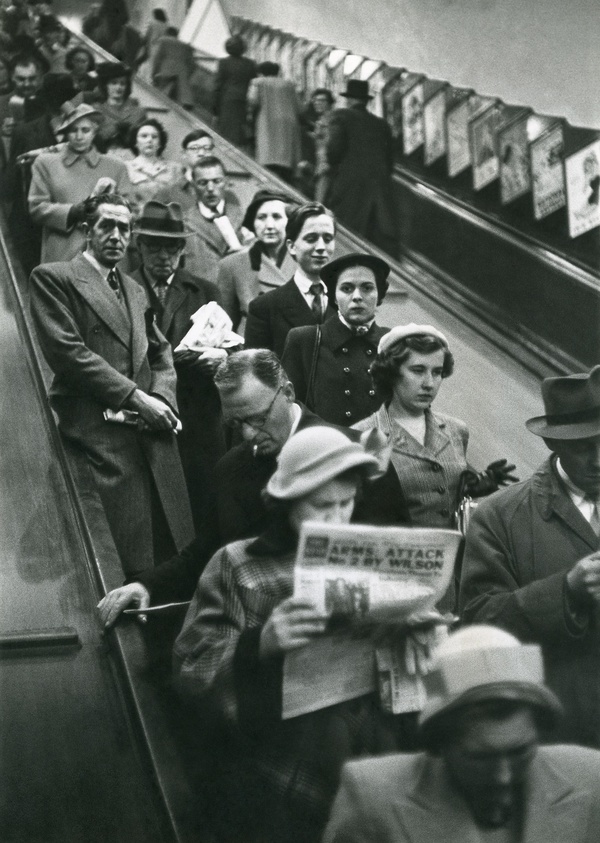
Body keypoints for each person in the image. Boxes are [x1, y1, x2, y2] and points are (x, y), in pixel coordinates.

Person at [173, 426, 420, 843]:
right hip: (273, 778)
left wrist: (413, 652)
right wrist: (260, 644)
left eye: (347, 504)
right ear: (286, 503)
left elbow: (402, 698)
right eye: (322, 507)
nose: (337, 519)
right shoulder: (239, 564)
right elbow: (188, 672)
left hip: (366, 771)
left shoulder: (375, 563)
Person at [96, 349, 338, 626]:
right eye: (235, 423)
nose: (248, 435)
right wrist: (146, 585)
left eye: (258, 418)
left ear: (288, 393)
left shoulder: (352, 455)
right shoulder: (230, 467)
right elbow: (206, 551)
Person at [29, 193, 194, 578]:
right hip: (98, 434)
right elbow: (70, 355)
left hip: (147, 428)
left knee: (173, 548)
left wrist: (160, 398)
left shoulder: (134, 290)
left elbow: (160, 353)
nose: (117, 235)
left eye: (124, 228)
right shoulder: (55, 278)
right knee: (122, 555)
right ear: (87, 231)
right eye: (107, 225)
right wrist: (137, 398)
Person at [324, 624, 600, 843]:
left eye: (520, 752)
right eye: (480, 757)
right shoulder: (373, 795)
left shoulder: (590, 777)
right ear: (439, 744)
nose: (503, 776)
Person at [460, 365, 600, 748]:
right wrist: (565, 593)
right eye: (584, 447)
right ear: (553, 443)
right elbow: (477, 624)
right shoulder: (501, 516)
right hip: (560, 731)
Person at [353, 324, 516, 530]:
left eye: (437, 372)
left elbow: (440, 493)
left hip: (452, 553)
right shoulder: (364, 435)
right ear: (391, 373)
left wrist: (470, 489)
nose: (429, 383)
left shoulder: (456, 430)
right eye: (418, 370)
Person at [130, 199, 226, 530]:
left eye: (172, 248)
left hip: (198, 419)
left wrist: (222, 359)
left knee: (202, 511)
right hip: (144, 416)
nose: (163, 256)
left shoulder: (205, 291)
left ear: (182, 250)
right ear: (138, 246)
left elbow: (233, 348)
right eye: (154, 247)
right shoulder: (121, 290)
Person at [282, 252, 390, 425]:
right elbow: (288, 409)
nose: (357, 296)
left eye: (367, 288)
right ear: (333, 296)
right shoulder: (304, 339)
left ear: (379, 295)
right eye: (346, 288)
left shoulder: (393, 343)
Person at [28, 99, 131, 263]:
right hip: (63, 252)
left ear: (95, 131)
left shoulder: (116, 166)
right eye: (73, 130)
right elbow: (36, 208)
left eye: (85, 130)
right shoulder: (46, 163)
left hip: (106, 253)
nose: (79, 136)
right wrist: (73, 211)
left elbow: (131, 210)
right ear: (66, 133)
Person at [3, 71, 75, 272]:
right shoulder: (24, 132)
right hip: (32, 222)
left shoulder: (82, 131)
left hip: (67, 220)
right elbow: (10, 184)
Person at [244, 202, 336, 357]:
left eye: (327, 238)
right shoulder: (265, 308)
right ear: (292, 246)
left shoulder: (347, 302)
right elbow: (256, 372)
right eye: (311, 238)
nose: (321, 247)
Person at [325, 79, 398, 257]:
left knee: (347, 232)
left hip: (349, 185)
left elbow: (333, 151)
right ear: (366, 101)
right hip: (380, 189)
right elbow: (389, 160)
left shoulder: (340, 117)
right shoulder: (382, 125)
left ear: (349, 100)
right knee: (376, 236)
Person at [217, 188, 296, 333]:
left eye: (277, 217)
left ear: (289, 222)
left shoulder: (304, 262)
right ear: (253, 223)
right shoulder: (232, 265)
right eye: (261, 217)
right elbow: (225, 327)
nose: (269, 225)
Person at [183, 154, 244, 283]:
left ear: (226, 182)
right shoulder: (183, 223)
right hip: (200, 298)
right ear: (193, 185)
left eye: (217, 181)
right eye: (203, 183)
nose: (210, 189)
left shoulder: (243, 218)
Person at [247, 60, 301, 183]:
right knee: (285, 155)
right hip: (289, 123)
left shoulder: (258, 82)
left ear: (261, 73)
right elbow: (300, 107)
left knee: (268, 152)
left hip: (267, 121)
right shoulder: (289, 84)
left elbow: (253, 100)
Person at [126, 117, 180, 213]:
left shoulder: (174, 168)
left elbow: (180, 201)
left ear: (160, 143)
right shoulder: (125, 168)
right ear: (135, 142)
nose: (149, 140)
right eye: (144, 136)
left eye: (154, 137)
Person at [153, 128, 215, 211]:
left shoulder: (223, 193)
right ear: (184, 154)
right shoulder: (168, 191)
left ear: (212, 154)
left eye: (207, 148)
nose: (201, 153)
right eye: (194, 148)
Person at [212, 33, 256, 146]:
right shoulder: (250, 64)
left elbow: (218, 85)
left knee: (227, 128)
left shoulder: (223, 63)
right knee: (239, 127)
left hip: (227, 98)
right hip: (243, 98)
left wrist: (214, 108)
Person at [94, 61, 146, 154]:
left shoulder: (138, 112)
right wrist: (115, 128)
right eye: (114, 83)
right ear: (105, 85)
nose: (119, 87)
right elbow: (93, 139)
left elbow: (142, 141)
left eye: (122, 84)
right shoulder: (96, 109)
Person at [299, 87, 335, 201]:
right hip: (320, 167)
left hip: (326, 168)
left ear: (329, 103)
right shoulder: (321, 121)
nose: (317, 103)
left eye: (321, 100)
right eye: (315, 100)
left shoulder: (332, 120)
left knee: (321, 201)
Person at [150, 26, 195, 109]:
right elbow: (192, 66)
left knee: (156, 98)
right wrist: (186, 77)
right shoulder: (186, 47)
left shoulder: (164, 40)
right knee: (175, 103)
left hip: (165, 73)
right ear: (177, 35)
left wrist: (153, 74)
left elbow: (157, 59)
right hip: (181, 77)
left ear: (167, 33)